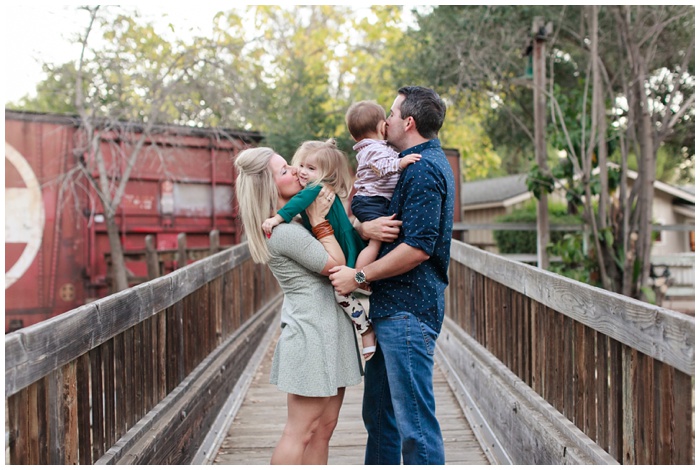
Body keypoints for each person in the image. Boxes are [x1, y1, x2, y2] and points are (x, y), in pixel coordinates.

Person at [329, 86, 454, 465]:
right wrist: (365, 229)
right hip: (389, 309)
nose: (387, 122)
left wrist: (359, 276)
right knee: (379, 418)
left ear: (409, 122)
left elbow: (417, 248)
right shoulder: (403, 163)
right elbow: (369, 212)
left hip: (408, 312)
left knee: (414, 426)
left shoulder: (423, 168)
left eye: (393, 114)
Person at [234, 147, 363, 465]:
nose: (294, 171)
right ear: (269, 186)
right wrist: (319, 221)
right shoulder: (285, 232)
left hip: (329, 329)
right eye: (284, 171)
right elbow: (335, 264)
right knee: (300, 432)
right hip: (312, 333)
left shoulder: (295, 220)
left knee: (323, 429)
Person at [262, 139, 377, 359]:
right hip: (338, 239)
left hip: (341, 242)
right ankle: (367, 308)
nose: (302, 172)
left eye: (311, 168)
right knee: (350, 286)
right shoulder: (310, 189)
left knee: (342, 292)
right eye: (301, 165)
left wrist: (276, 219)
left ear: (326, 173)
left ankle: (366, 329)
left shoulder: (315, 189)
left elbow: (295, 205)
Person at [345, 100, 421, 270]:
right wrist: (400, 163)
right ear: (381, 127)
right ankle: (358, 276)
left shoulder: (376, 148)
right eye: (387, 122)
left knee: (375, 240)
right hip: (371, 200)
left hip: (371, 200)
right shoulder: (373, 149)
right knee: (375, 243)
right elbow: (381, 167)